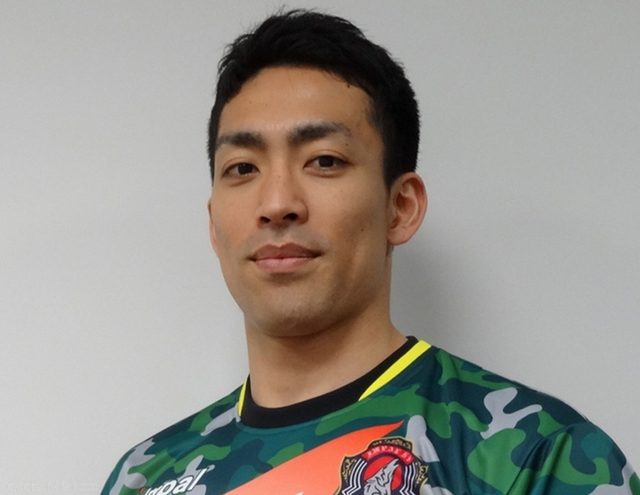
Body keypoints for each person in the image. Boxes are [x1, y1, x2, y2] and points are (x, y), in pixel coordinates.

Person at [102, 9, 638, 495]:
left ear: (400, 207)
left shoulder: (538, 459)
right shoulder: (146, 476)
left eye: (324, 161)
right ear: (214, 225)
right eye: (242, 168)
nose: (277, 203)